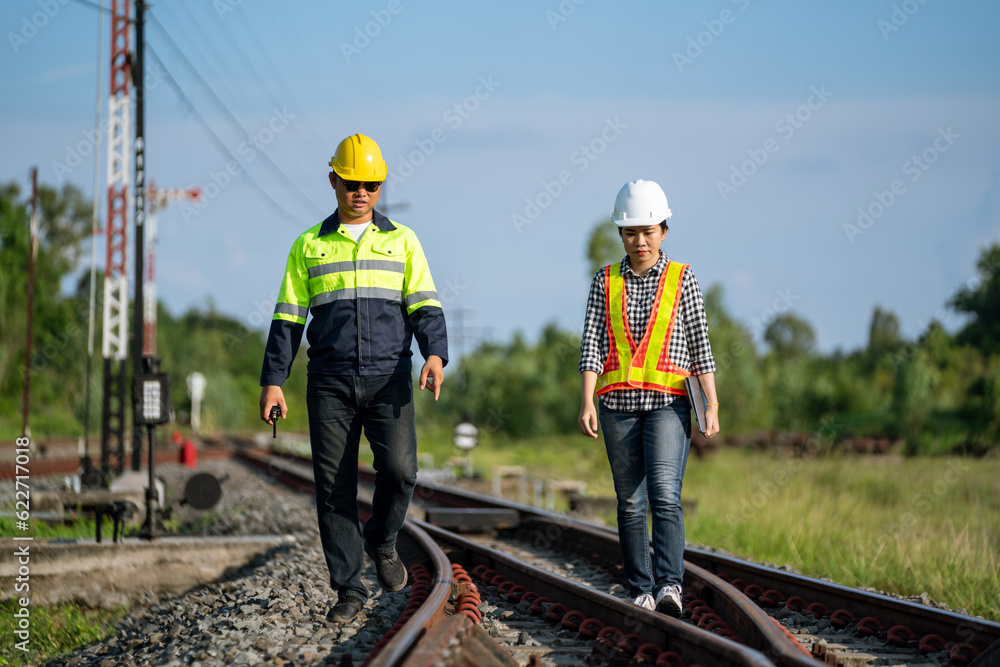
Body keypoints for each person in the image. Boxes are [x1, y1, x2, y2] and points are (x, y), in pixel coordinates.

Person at [259, 133, 448, 623]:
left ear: (379, 186)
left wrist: (435, 356)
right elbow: (287, 318)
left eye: (370, 183)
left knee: (402, 470)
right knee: (333, 487)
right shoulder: (308, 246)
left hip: (389, 379)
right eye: (350, 182)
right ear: (333, 181)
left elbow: (425, 305)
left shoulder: (402, 241)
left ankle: (381, 541)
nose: (360, 191)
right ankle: (348, 589)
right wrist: (274, 379)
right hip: (329, 381)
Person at [578, 179, 719, 618]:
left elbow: (700, 343)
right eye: (630, 233)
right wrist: (586, 402)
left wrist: (711, 404)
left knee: (663, 494)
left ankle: (669, 586)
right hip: (617, 406)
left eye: (648, 231)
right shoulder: (605, 280)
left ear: (663, 230)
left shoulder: (682, 278)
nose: (640, 241)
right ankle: (640, 587)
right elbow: (591, 345)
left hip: (667, 405)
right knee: (631, 501)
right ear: (621, 235)